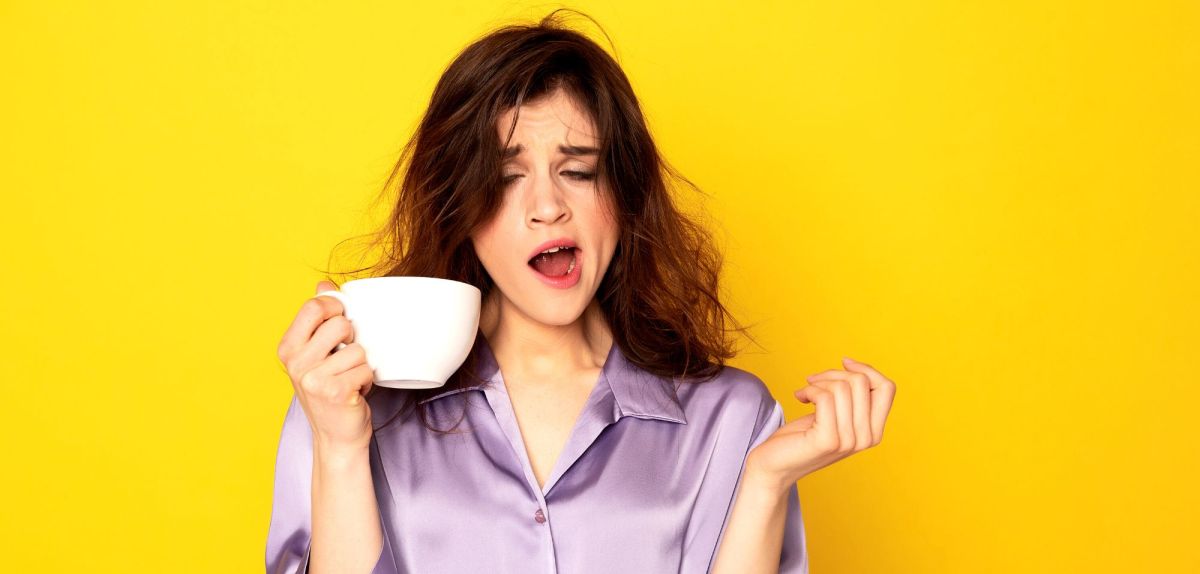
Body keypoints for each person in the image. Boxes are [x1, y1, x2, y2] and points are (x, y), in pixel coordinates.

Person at [266, 10, 896, 574]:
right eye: (507, 177)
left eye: (578, 170)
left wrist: (764, 480)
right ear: (460, 206)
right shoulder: (344, 405)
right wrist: (341, 449)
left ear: (622, 193)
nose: (547, 207)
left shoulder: (730, 420)